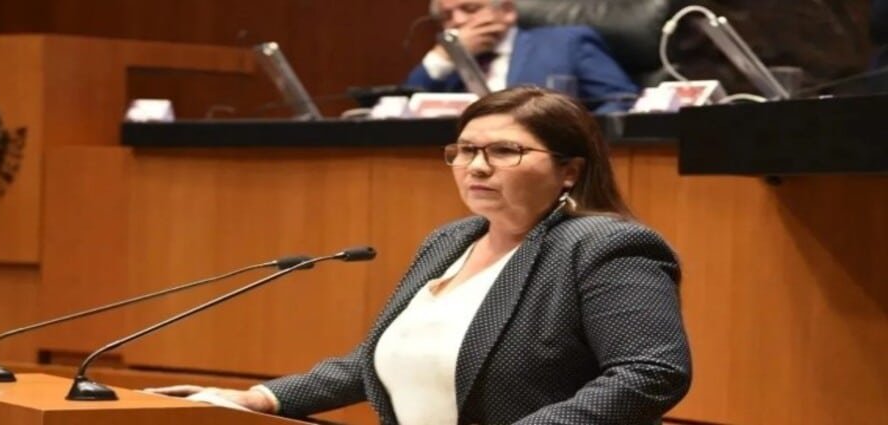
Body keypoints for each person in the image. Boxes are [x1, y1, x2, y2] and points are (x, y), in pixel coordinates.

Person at [147, 86, 692, 424]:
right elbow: (378, 359)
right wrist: (262, 399)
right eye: (465, 150)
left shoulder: (604, 246)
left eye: (505, 151)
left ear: (569, 170)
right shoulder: (450, 242)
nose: (477, 166)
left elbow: (650, 372)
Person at [405, 0, 639, 113]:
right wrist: (443, 57)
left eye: (470, 9)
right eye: (446, 16)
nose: (457, 21)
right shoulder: (448, 66)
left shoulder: (567, 43)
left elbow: (622, 100)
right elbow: (405, 108)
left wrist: (577, 141)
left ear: (507, 11)